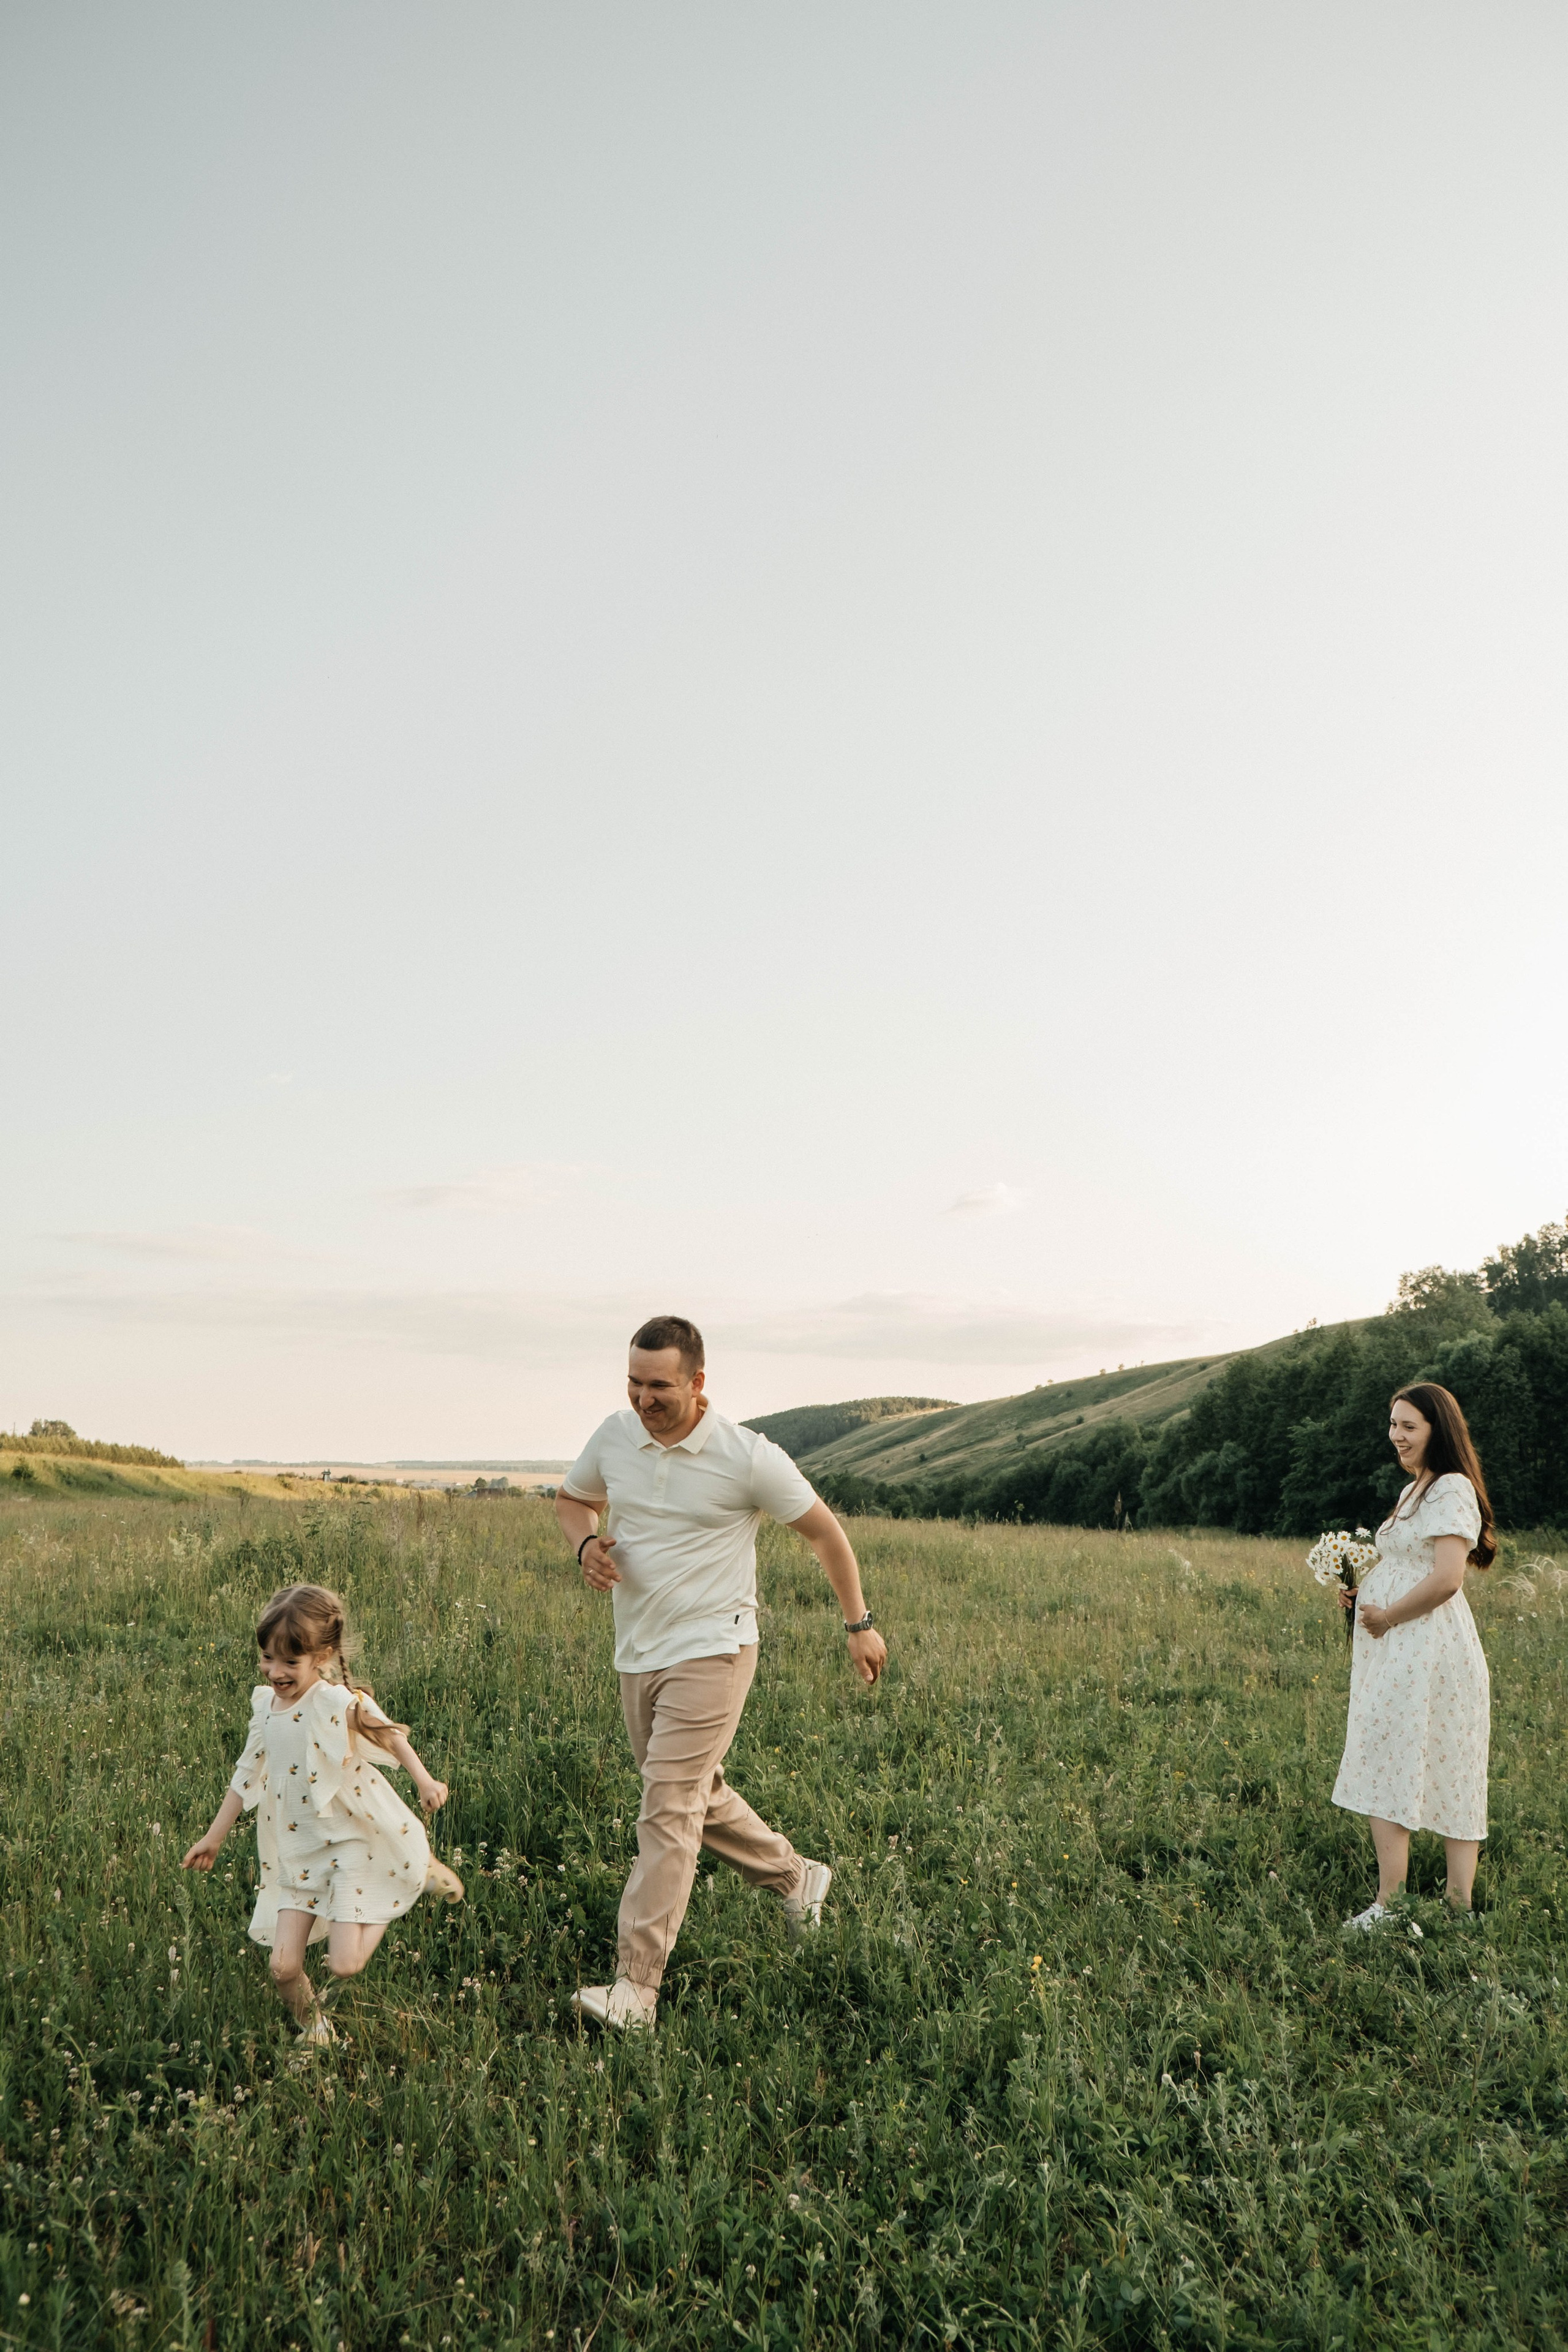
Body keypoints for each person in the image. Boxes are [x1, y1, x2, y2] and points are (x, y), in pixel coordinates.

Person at [555, 1314, 888, 2032]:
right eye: (634, 1383)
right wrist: (585, 1545)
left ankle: (636, 1990)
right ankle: (797, 1878)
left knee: (667, 1806)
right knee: (689, 1794)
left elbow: (825, 1532)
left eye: (660, 1386)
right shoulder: (615, 1436)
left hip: (715, 1647)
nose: (644, 1399)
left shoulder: (747, 1457)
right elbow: (571, 1497)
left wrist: (858, 1625)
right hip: (638, 1649)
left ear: (698, 1382)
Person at [182, 1583, 464, 2043]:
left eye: (290, 1662)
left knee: (345, 1964)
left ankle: (407, 1874)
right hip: (298, 1851)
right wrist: (213, 1838)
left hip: (351, 1843)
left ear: (322, 1656)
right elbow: (245, 1776)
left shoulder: (332, 1702)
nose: (276, 1671)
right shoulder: (265, 1708)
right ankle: (317, 2031)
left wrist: (424, 1779)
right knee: (283, 1967)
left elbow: (387, 1733)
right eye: (268, 1658)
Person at [1331, 1383, 1495, 1929]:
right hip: (1398, 1646)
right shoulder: (1414, 1491)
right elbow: (1404, 1562)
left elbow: (1448, 1578)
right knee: (1392, 1755)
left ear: (1436, 1431)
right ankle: (1393, 1903)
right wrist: (1361, 1591)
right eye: (1393, 1424)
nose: (1396, 1436)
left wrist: (1388, 1615)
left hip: (1428, 1648)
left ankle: (1449, 1905)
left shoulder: (1451, 1487)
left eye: (1409, 1426)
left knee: (1444, 1760)